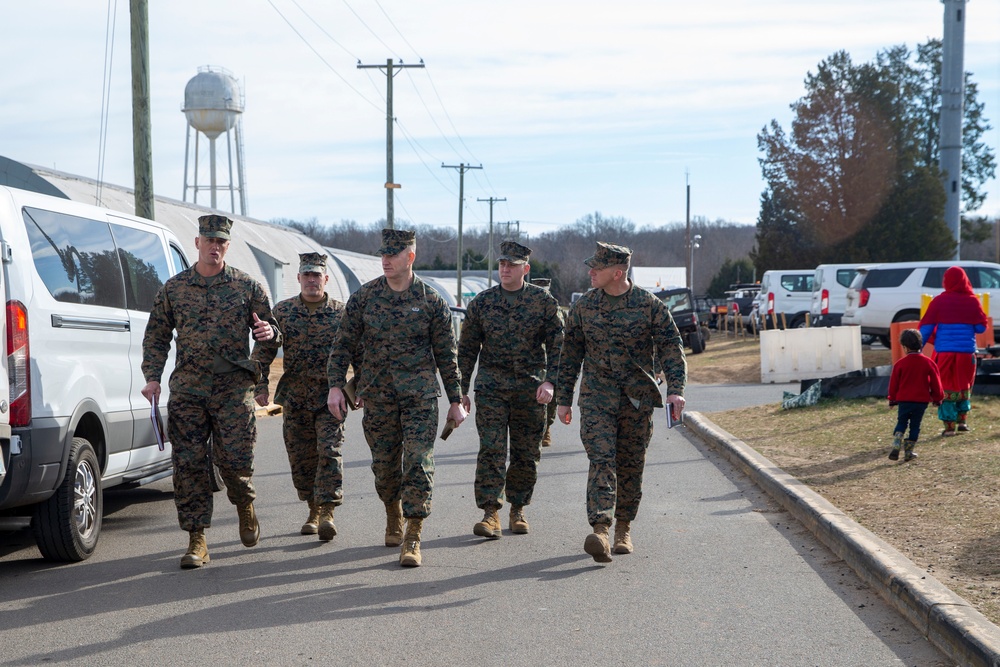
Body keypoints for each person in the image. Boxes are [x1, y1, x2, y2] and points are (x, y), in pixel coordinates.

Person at [141, 214, 280, 569]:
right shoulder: (174, 288)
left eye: (221, 242)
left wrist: (261, 353)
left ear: (227, 246)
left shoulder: (245, 286)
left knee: (234, 464)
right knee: (188, 466)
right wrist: (152, 377)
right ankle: (197, 539)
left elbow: (272, 333)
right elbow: (156, 334)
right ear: (198, 243)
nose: (214, 247)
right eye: (209, 240)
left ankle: (244, 506)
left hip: (233, 392)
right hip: (188, 390)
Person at [326, 228, 467, 567]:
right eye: (383, 255)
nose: (386, 260)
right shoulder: (365, 298)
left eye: (393, 255)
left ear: (410, 257)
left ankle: (414, 533)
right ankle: (393, 512)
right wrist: (335, 385)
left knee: (418, 462)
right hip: (378, 396)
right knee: (385, 468)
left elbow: (447, 355)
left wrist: (456, 399)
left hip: (420, 397)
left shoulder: (431, 301)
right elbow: (342, 343)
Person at [555, 242, 687, 563]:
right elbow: (570, 354)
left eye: (596, 269)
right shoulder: (584, 307)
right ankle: (601, 528)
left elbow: (671, 346)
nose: (590, 272)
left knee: (630, 462)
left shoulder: (649, 305)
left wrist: (675, 389)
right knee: (602, 458)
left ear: (617, 273)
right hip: (596, 397)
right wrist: (564, 399)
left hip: (636, 399)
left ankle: (623, 529)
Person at [458, 241, 563, 539]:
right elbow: (466, 350)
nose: (505, 269)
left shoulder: (542, 302)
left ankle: (518, 507)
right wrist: (461, 390)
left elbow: (559, 345)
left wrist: (550, 381)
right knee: (491, 448)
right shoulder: (481, 303)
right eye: (502, 264)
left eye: (512, 265)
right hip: (492, 387)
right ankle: (490, 512)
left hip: (530, 389)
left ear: (525, 269)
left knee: (526, 453)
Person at [252, 253, 346, 541]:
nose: (311, 280)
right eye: (307, 275)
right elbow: (264, 350)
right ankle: (313, 508)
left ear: (326, 279)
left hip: (329, 399)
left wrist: (358, 388)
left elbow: (360, 352)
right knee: (301, 459)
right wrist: (261, 385)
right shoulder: (283, 311)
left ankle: (328, 512)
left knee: (329, 452)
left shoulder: (341, 313)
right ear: (299, 279)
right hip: (295, 399)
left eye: (317, 275)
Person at [918, 266, 988, 436]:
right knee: (964, 386)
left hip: (945, 353)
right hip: (966, 354)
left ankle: (949, 427)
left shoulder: (939, 301)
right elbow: (980, 328)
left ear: (946, 281)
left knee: (946, 388)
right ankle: (962, 421)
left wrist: (917, 349)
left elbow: (926, 329)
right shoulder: (972, 301)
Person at [887, 329, 944, 462]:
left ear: (905, 347)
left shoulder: (900, 364)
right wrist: (937, 398)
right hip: (921, 401)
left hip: (904, 400)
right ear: (920, 344)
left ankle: (897, 442)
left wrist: (892, 399)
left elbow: (893, 385)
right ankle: (909, 452)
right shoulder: (929, 363)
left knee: (902, 421)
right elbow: (936, 383)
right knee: (915, 425)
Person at [532, 277, 561, 448]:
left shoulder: (555, 310)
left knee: (551, 399)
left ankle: (547, 426)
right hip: (534, 363)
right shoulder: (526, 308)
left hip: (550, 363)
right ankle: (536, 430)